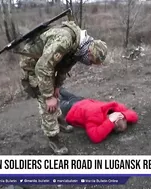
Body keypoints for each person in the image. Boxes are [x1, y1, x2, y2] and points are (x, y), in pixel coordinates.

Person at [18, 20, 108, 155]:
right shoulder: (64, 41)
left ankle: (59, 120)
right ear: (89, 52)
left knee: (55, 95)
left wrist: (57, 86)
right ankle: (53, 138)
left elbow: (64, 67)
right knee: (47, 103)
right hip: (33, 65)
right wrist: (48, 96)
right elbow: (42, 68)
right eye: (91, 61)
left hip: (46, 65)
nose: (89, 64)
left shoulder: (78, 47)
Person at [58, 88, 139, 143]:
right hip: (82, 101)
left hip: (72, 109)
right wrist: (123, 114)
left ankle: (55, 89)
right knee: (60, 91)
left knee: (58, 100)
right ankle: (57, 87)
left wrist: (110, 121)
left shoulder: (95, 117)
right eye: (119, 115)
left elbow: (95, 136)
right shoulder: (116, 108)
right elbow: (134, 115)